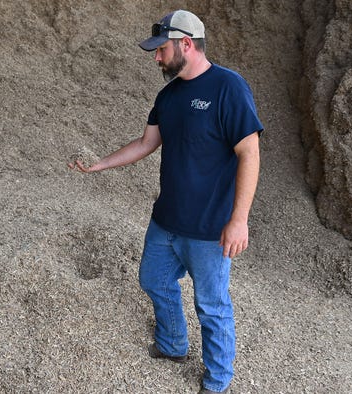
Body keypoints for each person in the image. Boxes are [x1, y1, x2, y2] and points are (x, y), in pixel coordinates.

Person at [68, 9, 263, 394]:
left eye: (161, 50)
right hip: (166, 220)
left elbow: (250, 153)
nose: (156, 58)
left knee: (211, 306)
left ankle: (218, 380)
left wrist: (239, 220)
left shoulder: (228, 88)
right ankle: (173, 345)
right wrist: (100, 164)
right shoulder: (168, 96)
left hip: (210, 228)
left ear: (186, 45)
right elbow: (146, 143)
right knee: (153, 280)